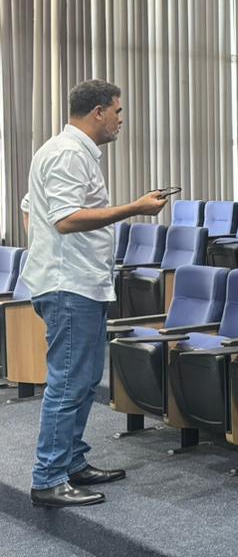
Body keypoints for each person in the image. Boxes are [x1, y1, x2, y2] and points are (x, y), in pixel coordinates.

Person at [20, 80, 168, 508]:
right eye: (118, 111)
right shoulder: (68, 153)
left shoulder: (65, 150)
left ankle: (71, 462)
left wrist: (45, 248)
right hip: (70, 285)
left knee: (83, 381)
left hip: (76, 280)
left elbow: (30, 208)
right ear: (98, 112)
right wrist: (135, 208)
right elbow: (65, 219)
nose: (121, 120)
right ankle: (49, 478)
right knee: (69, 383)